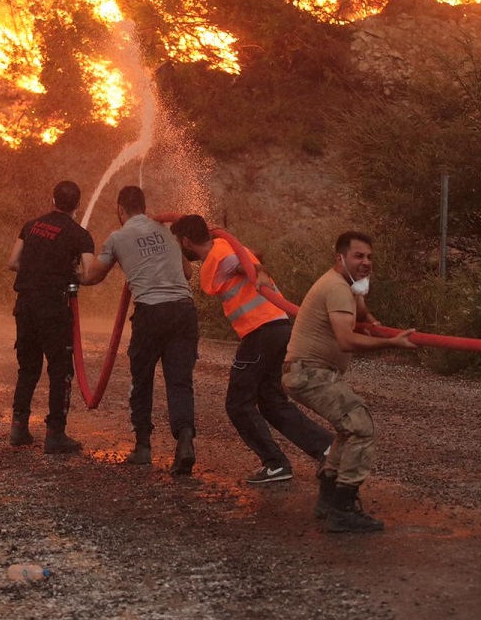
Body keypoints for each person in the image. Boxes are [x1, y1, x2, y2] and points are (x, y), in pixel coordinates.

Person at [170, 214, 334, 484]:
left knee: (237, 404)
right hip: (280, 326)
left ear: (186, 241)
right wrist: (254, 265)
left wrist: (259, 274)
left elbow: (244, 267)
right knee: (271, 402)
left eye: (179, 242)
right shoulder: (227, 248)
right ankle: (327, 448)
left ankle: (275, 463)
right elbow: (251, 256)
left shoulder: (220, 258)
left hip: (261, 332)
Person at [282, 231, 415, 533]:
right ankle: (342, 509)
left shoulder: (346, 287)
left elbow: (362, 312)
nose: (366, 262)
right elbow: (345, 340)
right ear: (339, 258)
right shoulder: (336, 287)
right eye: (358, 256)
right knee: (361, 426)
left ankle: (329, 501)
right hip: (310, 374)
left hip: (308, 372)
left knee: (348, 428)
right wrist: (393, 343)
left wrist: (374, 323)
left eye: (369, 257)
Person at [82, 186, 199, 475]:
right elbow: (188, 273)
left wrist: (73, 268)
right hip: (184, 310)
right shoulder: (169, 232)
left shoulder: (118, 237)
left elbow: (92, 276)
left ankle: (143, 447)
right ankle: (185, 442)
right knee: (180, 381)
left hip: (151, 311)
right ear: (145, 207)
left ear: (121, 209)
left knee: (142, 377)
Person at [6, 180, 96, 454]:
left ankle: (18, 427)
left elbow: (12, 263)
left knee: (28, 367)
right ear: (78, 205)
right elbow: (90, 273)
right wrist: (72, 275)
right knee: (60, 370)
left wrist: (37, 271)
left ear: (52, 200)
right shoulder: (80, 234)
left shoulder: (31, 225)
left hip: (25, 305)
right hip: (53, 309)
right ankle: (55, 433)